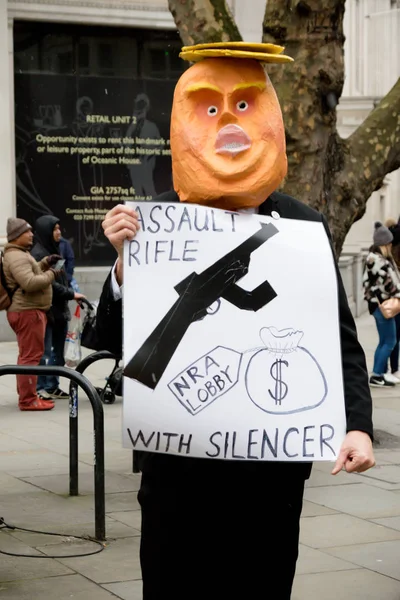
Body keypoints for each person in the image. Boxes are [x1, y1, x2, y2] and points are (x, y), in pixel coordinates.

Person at [96, 44, 375, 600]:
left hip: (268, 478)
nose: (228, 123)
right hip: (178, 473)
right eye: (210, 109)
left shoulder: (302, 224)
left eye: (244, 106)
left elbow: (340, 341)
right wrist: (125, 271)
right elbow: (104, 342)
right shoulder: (154, 221)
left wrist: (358, 425)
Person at [3, 217, 59, 411]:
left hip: (27, 311)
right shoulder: (17, 256)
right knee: (30, 357)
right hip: (27, 312)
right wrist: (51, 274)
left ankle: (27, 395)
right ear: (17, 236)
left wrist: (45, 263)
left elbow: (30, 274)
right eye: (27, 232)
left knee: (27, 355)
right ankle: (28, 400)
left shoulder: (19, 253)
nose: (32, 234)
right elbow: (29, 283)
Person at [31, 215, 85, 400]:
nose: (59, 232)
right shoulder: (38, 254)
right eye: (54, 229)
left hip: (59, 309)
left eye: (59, 228)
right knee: (45, 351)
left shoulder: (56, 249)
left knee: (57, 351)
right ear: (46, 231)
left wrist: (71, 292)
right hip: (47, 309)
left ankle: (53, 385)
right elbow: (49, 284)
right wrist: (71, 294)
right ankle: (41, 387)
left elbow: (62, 277)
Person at [363, 221, 400, 387]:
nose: (391, 246)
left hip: (379, 305)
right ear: (384, 244)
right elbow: (387, 284)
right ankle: (377, 374)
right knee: (390, 340)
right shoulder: (376, 260)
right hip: (382, 305)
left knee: (385, 340)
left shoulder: (376, 258)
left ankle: (380, 373)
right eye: (389, 243)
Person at [385, 217, 400, 381]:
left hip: (392, 300)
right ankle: (382, 371)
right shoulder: (381, 259)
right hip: (390, 301)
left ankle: (389, 369)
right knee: (390, 340)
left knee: (392, 339)